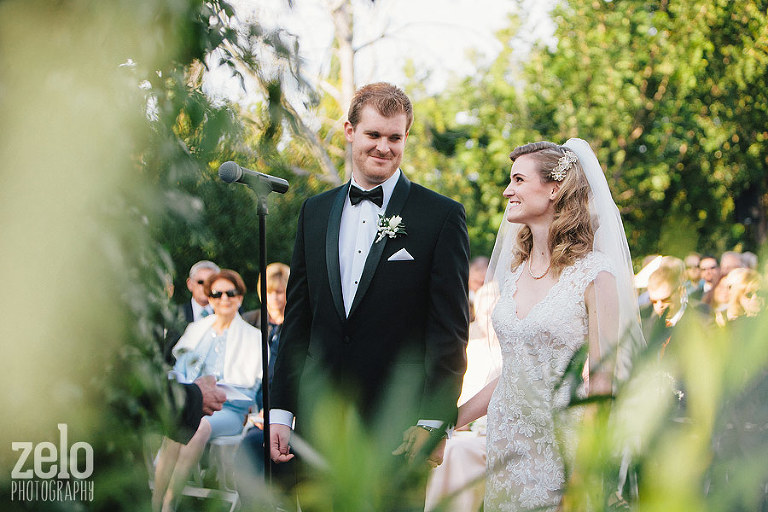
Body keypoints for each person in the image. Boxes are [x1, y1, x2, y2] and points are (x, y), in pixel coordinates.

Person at [269, 82, 470, 509]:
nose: (384, 147)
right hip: (319, 423)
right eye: (373, 134)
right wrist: (281, 411)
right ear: (349, 131)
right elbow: (298, 320)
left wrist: (433, 421)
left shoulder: (440, 216)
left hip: (396, 429)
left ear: (405, 139)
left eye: (394, 137)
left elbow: (449, 332)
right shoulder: (315, 212)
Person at [455, 139, 644, 511]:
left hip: (561, 447)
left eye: (519, 180)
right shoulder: (515, 272)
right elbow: (514, 372)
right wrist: (454, 417)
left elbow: (602, 387)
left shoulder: (595, 275)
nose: (508, 190)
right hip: (506, 445)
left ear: (554, 189)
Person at [153, 269, 262, 512]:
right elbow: (179, 368)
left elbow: (252, 389)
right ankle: (155, 499)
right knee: (178, 423)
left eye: (231, 293)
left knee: (199, 424)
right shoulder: (196, 329)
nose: (224, 298)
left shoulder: (253, 337)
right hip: (194, 400)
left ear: (240, 297)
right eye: (217, 293)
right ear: (210, 298)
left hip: (228, 409)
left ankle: (170, 502)